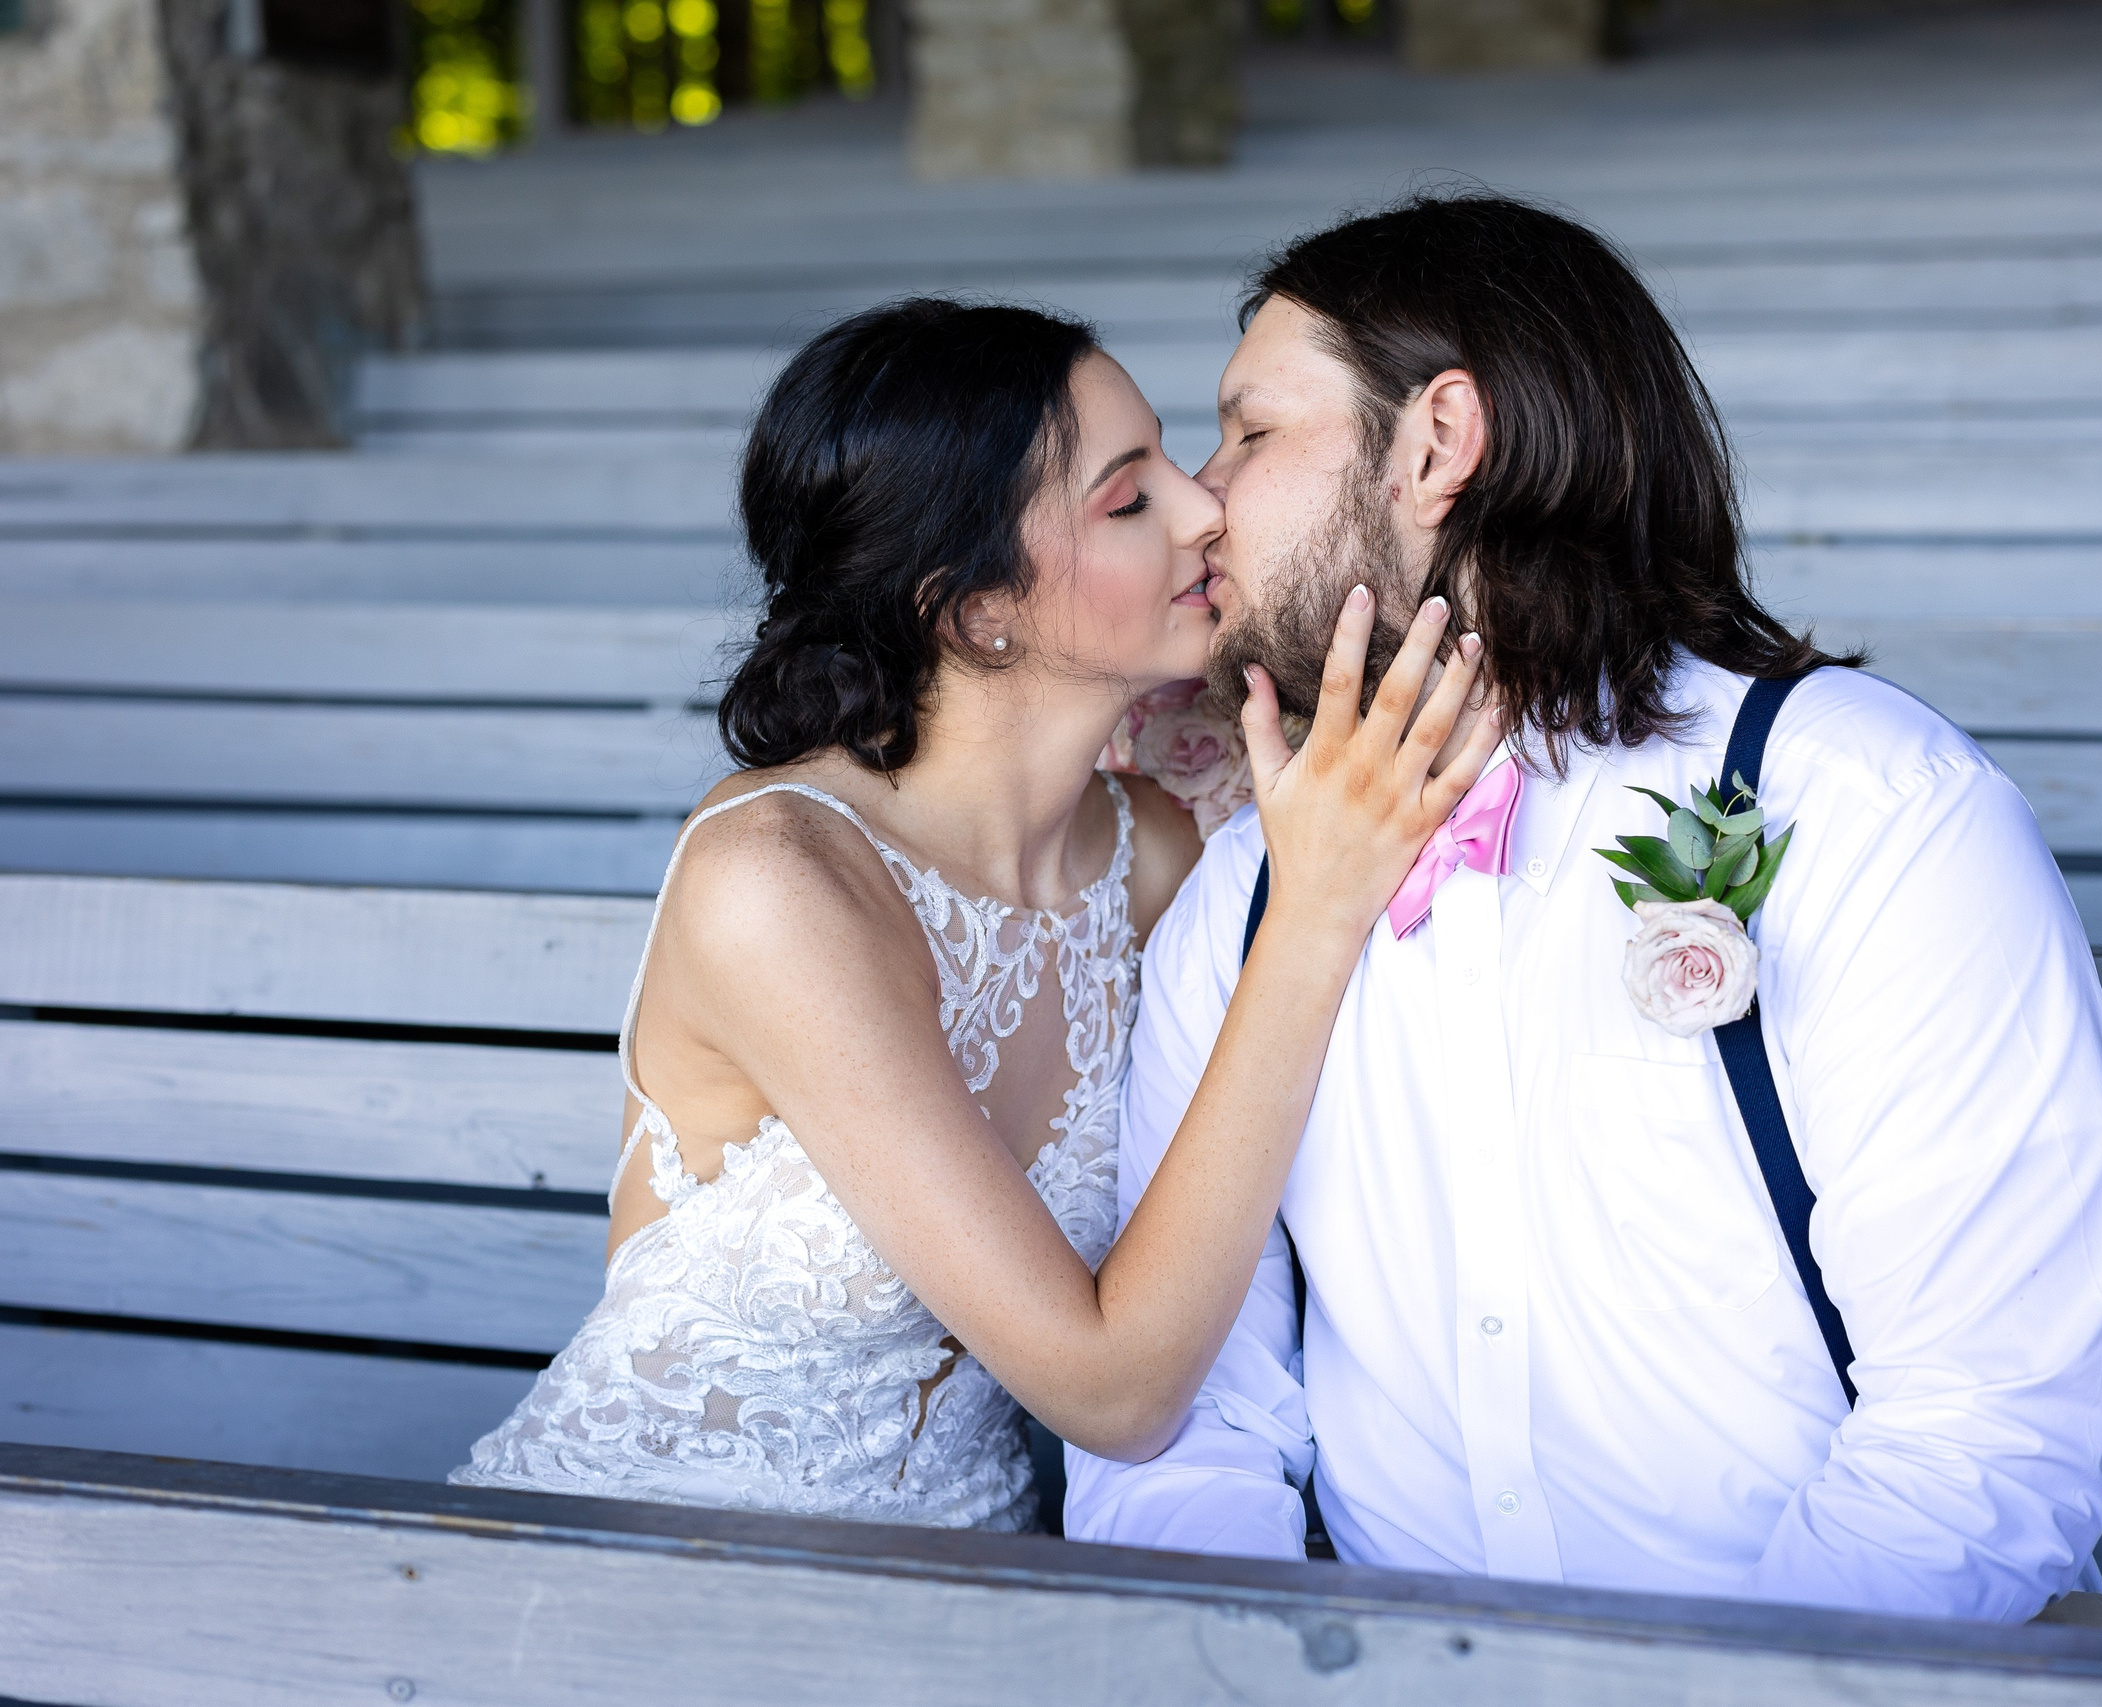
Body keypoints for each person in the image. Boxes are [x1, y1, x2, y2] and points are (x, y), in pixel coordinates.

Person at [1065, 195, 2102, 1624]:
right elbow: (1191, 1426)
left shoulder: (1870, 815)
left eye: (1250, 432)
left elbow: (1980, 1440)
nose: (1204, 499)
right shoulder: (1245, 895)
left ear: (1436, 442)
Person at [452, 298, 1500, 1527]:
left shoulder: (1154, 855)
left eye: (1173, 459)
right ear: (974, 609)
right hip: (641, 1570)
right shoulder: (780, 880)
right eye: (1128, 501)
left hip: (962, 1589)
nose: (1205, 506)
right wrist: (1310, 919)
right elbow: (1113, 1393)